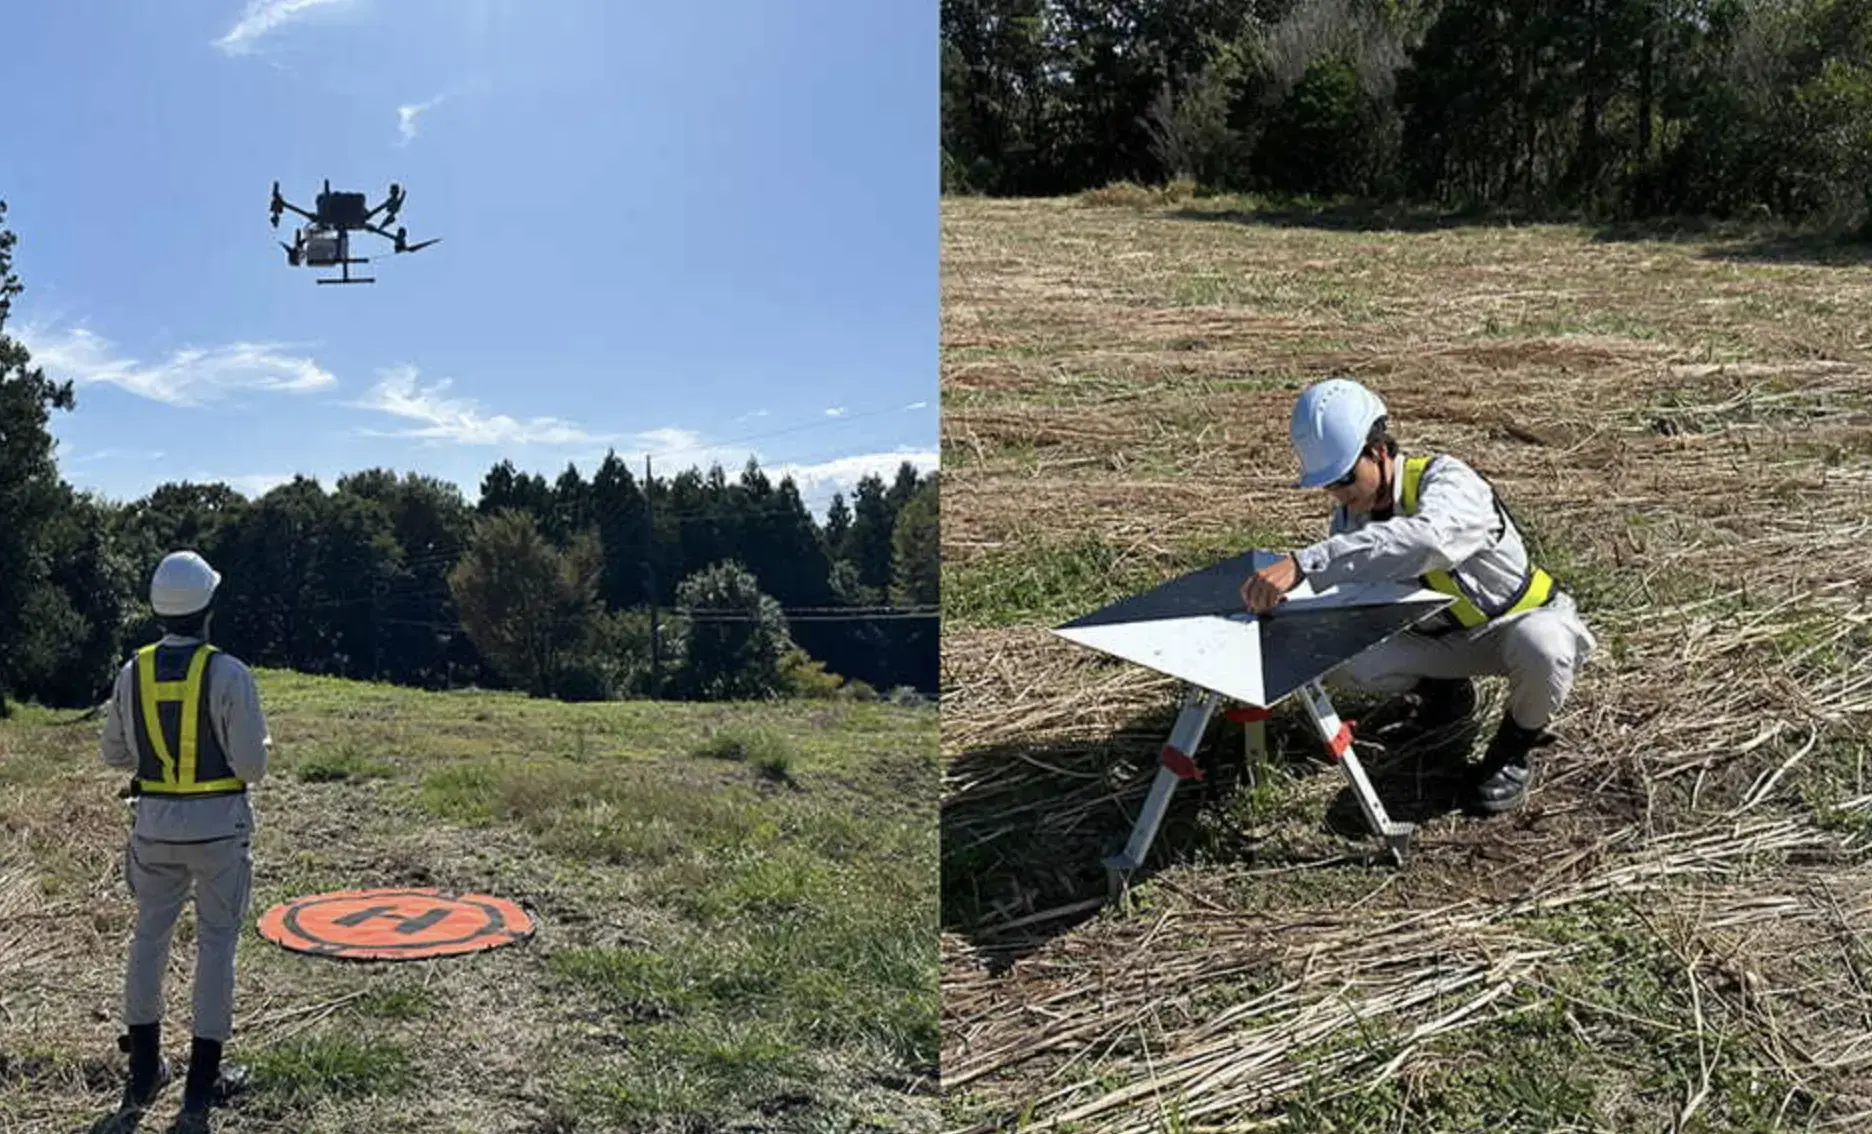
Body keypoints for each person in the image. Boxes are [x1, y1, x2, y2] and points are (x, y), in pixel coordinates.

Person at [1239, 378, 1595, 813]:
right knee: (1345, 659)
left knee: (1545, 647)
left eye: (1347, 479)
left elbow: (1428, 541)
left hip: (1513, 627)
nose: (1340, 496)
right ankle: (1446, 695)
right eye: (1329, 486)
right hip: (1444, 642)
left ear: (1379, 451)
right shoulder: (1350, 520)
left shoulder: (1449, 480)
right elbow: (1355, 595)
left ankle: (1512, 749)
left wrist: (1305, 563)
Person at [97, 550, 269, 1133]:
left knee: (149, 938)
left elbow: (114, 753)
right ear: (208, 608)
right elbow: (251, 764)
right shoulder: (229, 673)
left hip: (153, 826)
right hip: (220, 828)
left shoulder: (132, 672)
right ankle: (202, 1083)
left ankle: (144, 1069)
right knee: (217, 946)